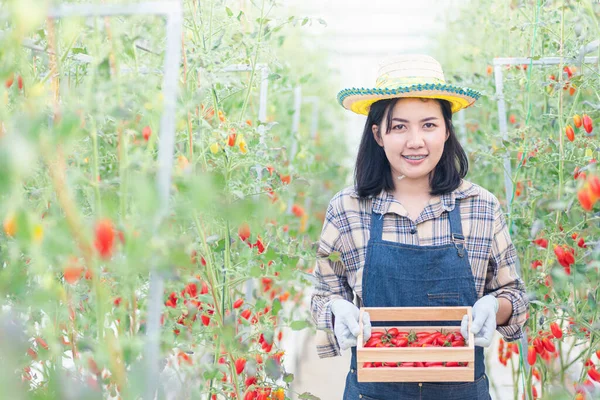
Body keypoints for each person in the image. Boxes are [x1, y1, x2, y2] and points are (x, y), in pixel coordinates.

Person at [310, 54, 528, 399]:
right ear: (378, 134)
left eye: (428, 124)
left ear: (446, 130)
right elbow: (324, 296)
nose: (415, 141)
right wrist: (337, 311)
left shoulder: (480, 207)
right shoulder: (348, 209)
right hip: (373, 392)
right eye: (399, 126)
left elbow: (514, 296)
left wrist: (494, 308)